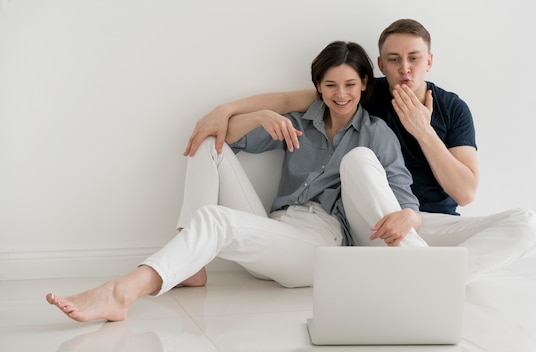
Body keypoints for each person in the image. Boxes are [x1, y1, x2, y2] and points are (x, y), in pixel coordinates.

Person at [46, 41, 428, 322]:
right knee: (204, 142)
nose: (340, 94)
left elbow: (401, 195)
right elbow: (223, 138)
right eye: (330, 85)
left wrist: (410, 219)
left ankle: (123, 290)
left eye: (349, 84)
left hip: (318, 244)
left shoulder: (376, 134)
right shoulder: (298, 123)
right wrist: (261, 116)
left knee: (216, 219)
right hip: (274, 230)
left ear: (364, 84)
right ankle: (191, 266)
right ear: (318, 87)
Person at [183, 19, 536, 281]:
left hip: (427, 223)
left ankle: (436, 277)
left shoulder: (452, 108)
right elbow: (289, 99)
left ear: (429, 61)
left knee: (526, 223)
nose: (405, 68)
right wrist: (225, 110)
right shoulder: (363, 93)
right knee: (359, 160)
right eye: (394, 59)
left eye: (414, 58)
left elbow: (465, 192)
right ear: (380, 64)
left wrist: (423, 130)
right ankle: (425, 277)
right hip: (374, 222)